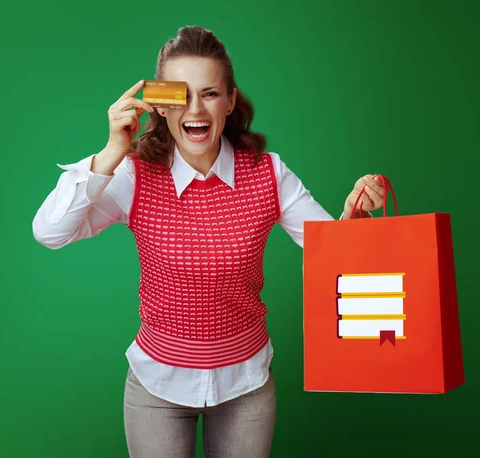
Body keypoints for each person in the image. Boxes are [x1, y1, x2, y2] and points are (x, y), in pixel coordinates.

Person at [32, 25, 386, 458]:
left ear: (231, 101)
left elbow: (332, 252)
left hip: (246, 386)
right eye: (179, 95)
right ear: (160, 105)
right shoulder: (134, 175)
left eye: (210, 93)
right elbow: (50, 232)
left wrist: (356, 210)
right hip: (156, 388)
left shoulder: (268, 173)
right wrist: (109, 154)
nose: (195, 109)